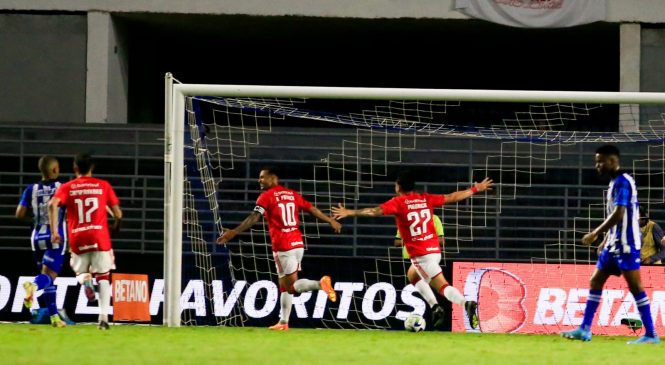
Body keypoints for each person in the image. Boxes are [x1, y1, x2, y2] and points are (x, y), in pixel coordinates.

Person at [332, 170, 493, 330]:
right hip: (434, 251)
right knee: (412, 274)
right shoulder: (425, 198)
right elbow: (452, 197)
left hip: (421, 255)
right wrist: (475, 189)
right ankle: (435, 307)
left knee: (442, 286)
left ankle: (466, 304)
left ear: (398, 186)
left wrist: (349, 212)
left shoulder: (398, 202)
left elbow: (374, 211)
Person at [217, 166, 342, 331]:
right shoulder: (292, 194)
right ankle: (283, 322)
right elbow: (311, 209)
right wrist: (330, 220)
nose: (259, 180)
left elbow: (255, 217)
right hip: (298, 244)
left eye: (263, 177)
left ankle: (320, 284)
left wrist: (234, 231)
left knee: (291, 286)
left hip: (283, 246)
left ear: (273, 178)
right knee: (284, 286)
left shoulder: (266, 196)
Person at [561, 145, 660, 344]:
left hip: (626, 244)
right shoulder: (615, 182)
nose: (597, 165)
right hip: (614, 243)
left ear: (613, 161)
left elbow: (619, 213)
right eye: (596, 161)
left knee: (635, 287)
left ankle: (650, 333)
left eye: (600, 161)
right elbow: (615, 216)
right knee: (596, 281)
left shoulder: (623, 182)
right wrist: (606, 241)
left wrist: (596, 233)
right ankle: (585, 329)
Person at [48, 153, 122, 330]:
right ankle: (103, 318)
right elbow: (118, 213)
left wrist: (54, 231)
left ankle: (86, 282)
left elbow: (52, 205)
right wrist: (117, 223)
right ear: (92, 168)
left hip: (78, 236)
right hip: (99, 236)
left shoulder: (68, 187)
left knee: (80, 272)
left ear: (75, 168)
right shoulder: (103, 186)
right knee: (103, 276)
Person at [17, 155, 68, 328]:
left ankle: (54, 317)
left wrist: (36, 217)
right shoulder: (62, 187)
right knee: (48, 277)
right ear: (55, 170)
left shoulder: (31, 189)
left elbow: (19, 214)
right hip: (56, 236)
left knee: (47, 278)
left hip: (36, 237)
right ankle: (32, 286)